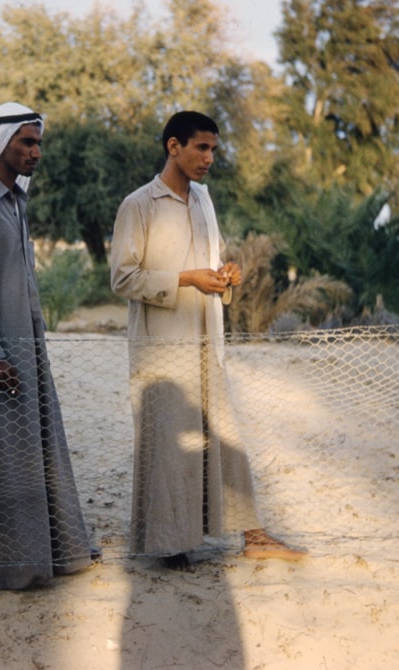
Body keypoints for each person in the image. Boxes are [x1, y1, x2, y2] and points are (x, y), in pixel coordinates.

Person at [109, 110, 306, 571]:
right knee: (169, 446)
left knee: (224, 437)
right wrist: (185, 280)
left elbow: (211, 267)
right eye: (201, 147)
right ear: (173, 146)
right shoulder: (138, 205)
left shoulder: (203, 200)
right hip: (161, 347)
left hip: (206, 342)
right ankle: (170, 544)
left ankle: (253, 534)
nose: (209, 158)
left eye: (214, 149)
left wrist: (225, 275)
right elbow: (122, 277)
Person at [0, 102, 93, 591]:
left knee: (37, 450)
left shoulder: (15, 202)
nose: (35, 152)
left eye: (38, 143)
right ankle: (5, 567)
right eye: (26, 142)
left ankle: (50, 554)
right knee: (0, 459)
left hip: (26, 352)